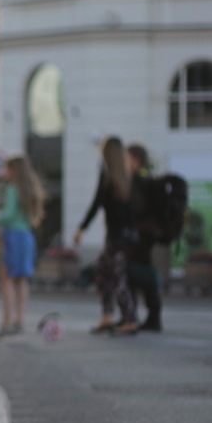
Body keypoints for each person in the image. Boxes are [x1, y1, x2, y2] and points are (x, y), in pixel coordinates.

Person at [73, 136, 137, 334]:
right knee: (102, 272)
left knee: (115, 277)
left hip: (116, 236)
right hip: (128, 236)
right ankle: (109, 316)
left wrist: (81, 228)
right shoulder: (127, 176)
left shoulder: (108, 175)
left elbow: (96, 204)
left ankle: (128, 319)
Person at [0, 154, 46, 335]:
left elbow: (8, 214)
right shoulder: (29, 190)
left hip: (13, 236)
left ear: (13, 171)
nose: (5, 173)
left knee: (6, 278)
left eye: (7, 169)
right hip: (26, 236)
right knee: (21, 279)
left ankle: (7, 320)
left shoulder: (12, 189)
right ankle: (19, 320)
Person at [127, 143, 163, 331]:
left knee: (137, 275)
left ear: (136, 161)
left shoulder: (138, 182)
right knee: (142, 274)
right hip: (145, 235)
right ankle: (149, 316)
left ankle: (146, 317)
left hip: (140, 235)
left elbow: (137, 209)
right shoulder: (148, 181)